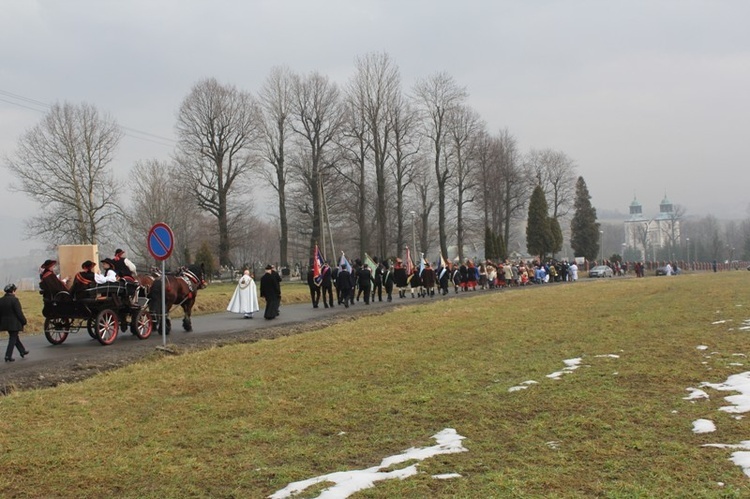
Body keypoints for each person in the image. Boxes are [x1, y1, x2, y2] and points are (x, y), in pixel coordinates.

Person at [1, 284, 28, 362]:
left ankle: (22, 351)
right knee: (13, 338)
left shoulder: (1, 300)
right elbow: (19, 313)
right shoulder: (14, 300)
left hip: (5, 323)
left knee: (15, 337)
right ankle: (8, 355)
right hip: (14, 323)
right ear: (12, 291)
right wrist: (24, 321)